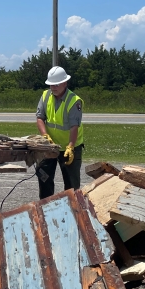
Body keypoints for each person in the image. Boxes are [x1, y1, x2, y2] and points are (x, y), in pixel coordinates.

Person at [35, 66, 85, 199]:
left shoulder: (74, 101)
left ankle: (73, 212)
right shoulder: (45, 96)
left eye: (56, 84)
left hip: (70, 147)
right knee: (43, 176)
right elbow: (40, 118)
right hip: (50, 145)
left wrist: (70, 147)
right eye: (51, 84)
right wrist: (45, 136)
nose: (53, 87)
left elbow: (74, 126)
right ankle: (45, 208)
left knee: (71, 185)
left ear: (65, 83)